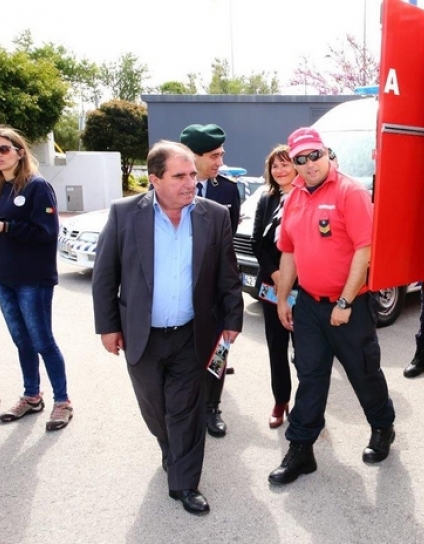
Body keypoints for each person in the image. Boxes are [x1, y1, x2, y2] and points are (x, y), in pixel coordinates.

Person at [92, 141, 243, 515]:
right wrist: (108, 326)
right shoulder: (125, 214)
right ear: (155, 179)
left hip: (193, 333)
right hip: (141, 334)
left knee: (186, 411)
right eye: (179, 176)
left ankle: (185, 484)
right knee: (156, 410)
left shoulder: (214, 215)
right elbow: (105, 274)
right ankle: (170, 448)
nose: (190, 183)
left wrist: (232, 320)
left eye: (192, 174)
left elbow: (228, 275)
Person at [268, 127, 396, 485]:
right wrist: (283, 298)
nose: (310, 164)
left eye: (315, 155)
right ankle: (301, 450)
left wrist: (345, 301)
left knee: (363, 372)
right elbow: (289, 251)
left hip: (349, 305)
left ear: (326, 153)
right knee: (309, 377)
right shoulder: (294, 197)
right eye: (301, 159)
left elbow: (364, 250)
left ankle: (382, 427)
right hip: (309, 305)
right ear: (294, 163)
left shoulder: (349, 192)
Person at [0, 126, 73, 431]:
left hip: (33, 278)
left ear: (19, 152)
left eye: (4, 149)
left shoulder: (37, 186)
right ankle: (31, 396)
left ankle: (62, 401)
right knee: (22, 341)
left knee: (43, 341)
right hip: (4, 276)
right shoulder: (0, 187)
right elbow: (4, 229)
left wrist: (6, 228)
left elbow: (47, 232)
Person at [178, 124, 241, 439]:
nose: (220, 161)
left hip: (215, 291)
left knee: (218, 352)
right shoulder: (168, 188)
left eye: (221, 154)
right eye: (214, 156)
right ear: (194, 156)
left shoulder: (227, 190)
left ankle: (212, 407)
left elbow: (228, 247)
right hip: (180, 289)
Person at [251, 144, 297, 429]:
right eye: (274, 166)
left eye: (285, 164)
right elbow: (257, 242)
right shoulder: (266, 200)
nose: (280, 170)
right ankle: (281, 400)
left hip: (305, 287)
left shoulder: (308, 196)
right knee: (277, 348)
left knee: (306, 352)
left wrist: (291, 279)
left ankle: (307, 404)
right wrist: (278, 275)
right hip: (272, 285)